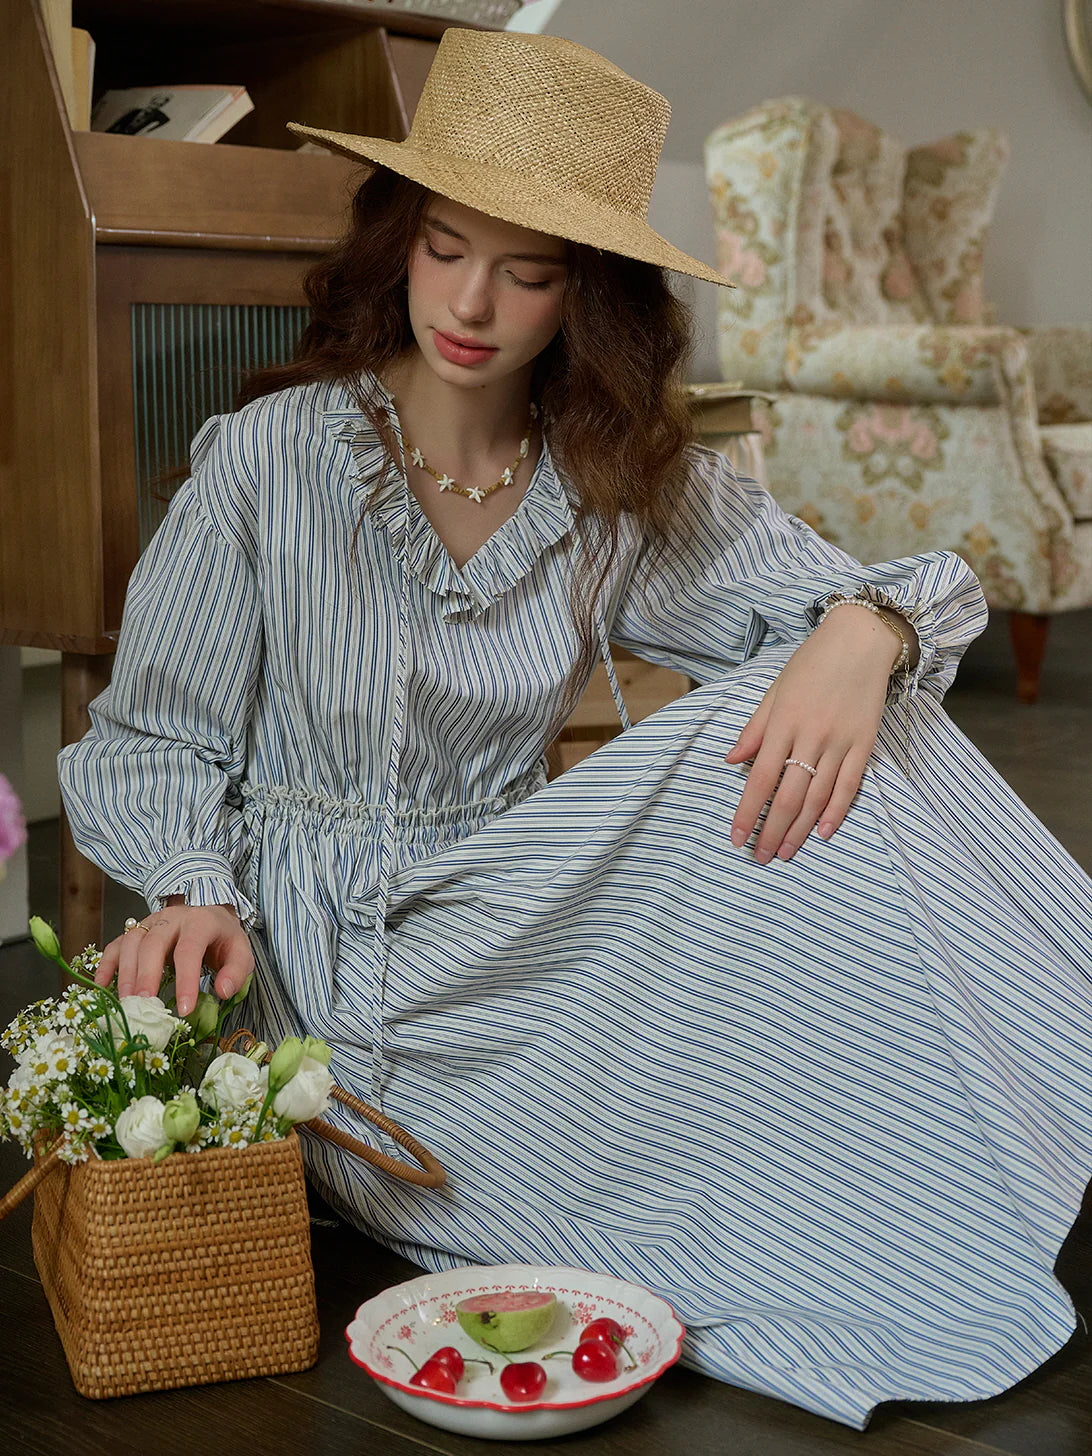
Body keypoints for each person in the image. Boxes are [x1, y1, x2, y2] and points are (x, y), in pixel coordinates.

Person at [57, 29, 1091, 1431]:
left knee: (862, 716)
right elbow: (146, 741)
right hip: (325, 981)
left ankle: (1021, 1113)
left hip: (515, 936)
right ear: (397, 246)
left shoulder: (615, 481)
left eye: (529, 271)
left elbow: (889, 595)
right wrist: (190, 888)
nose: (473, 301)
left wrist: (868, 634)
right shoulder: (274, 461)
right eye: (444, 247)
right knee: (797, 718)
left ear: (584, 296)